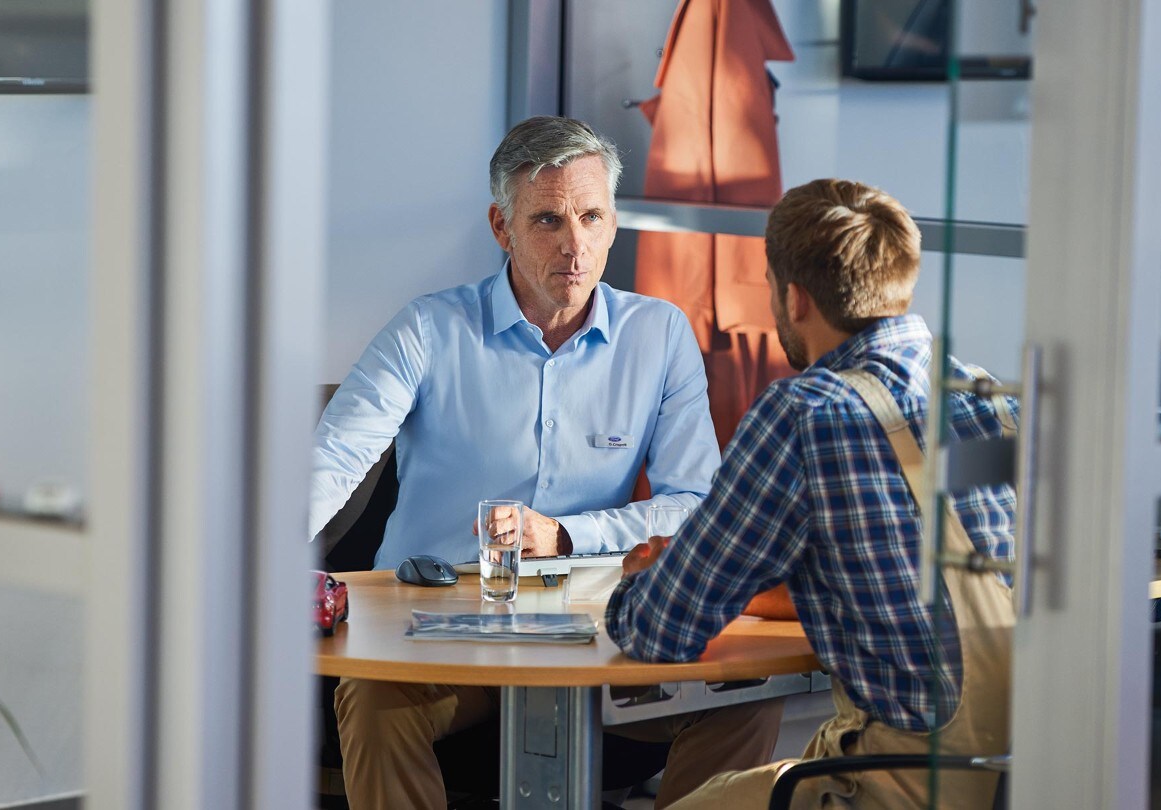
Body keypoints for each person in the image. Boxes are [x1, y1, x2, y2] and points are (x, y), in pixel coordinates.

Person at [321, 115, 785, 809]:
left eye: (592, 217)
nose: (576, 246)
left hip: (600, 627)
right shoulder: (428, 328)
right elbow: (333, 456)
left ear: (613, 220)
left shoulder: (657, 335)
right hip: (439, 631)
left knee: (745, 701)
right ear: (501, 228)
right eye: (548, 221)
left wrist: (567, 536)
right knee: (371, 697)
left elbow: (695, 503)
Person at [606, 178, 1018, 810]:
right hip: (1032, 772)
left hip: (896, 781)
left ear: (795, 298)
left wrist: (636, 576)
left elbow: (661, 628)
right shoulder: (988, 399)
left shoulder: (806, 413)